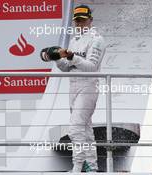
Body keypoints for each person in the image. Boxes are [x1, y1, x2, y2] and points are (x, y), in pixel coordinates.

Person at [55, 5, 106, 172]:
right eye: (77, 21)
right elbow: (65, 67)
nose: (80, 23)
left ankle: (77, 167)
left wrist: (71, 56)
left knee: (75, 127)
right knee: (85, 129)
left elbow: (91, 67)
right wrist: (56, 57)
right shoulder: (74, 40)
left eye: (83, 20)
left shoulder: (97, 39)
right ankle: (92, 167)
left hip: (88, 86)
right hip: (73, 85)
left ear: (90, 20)